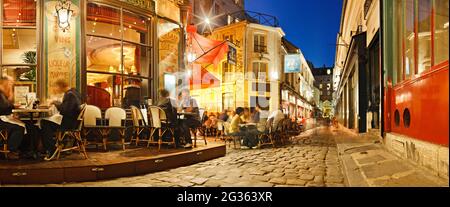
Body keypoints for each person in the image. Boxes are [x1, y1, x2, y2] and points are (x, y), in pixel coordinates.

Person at [41, 79, 82, 158]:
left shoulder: (70, 94)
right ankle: (51, 147)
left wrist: (55, 102)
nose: (55, 89)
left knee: (44, 123)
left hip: (69, 124)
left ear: (60, 86)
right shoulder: (74, 92)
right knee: (46, 122)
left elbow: (64, 111)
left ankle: (51, 150)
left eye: (56, 87)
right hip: (73, 122)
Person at [0, 76, 25, 159]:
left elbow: (8, 102)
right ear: (5, 82)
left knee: (24, 125)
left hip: (4, 117)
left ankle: (16, 149)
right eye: (10, 82)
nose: (12, 84)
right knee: (19, 128)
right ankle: (10, 150)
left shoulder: (3, 92)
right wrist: (13, 106)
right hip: (1, 119)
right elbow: (3, 106)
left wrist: (10, 89)